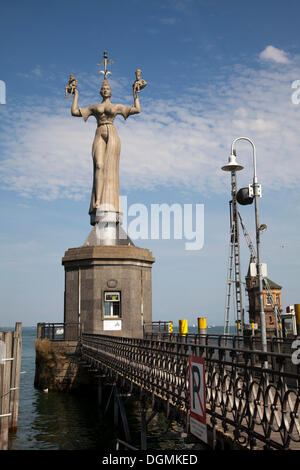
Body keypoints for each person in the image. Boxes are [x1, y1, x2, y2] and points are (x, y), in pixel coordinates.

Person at [71, 77, 141, 217]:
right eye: (103, 89)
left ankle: (110, 201)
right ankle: (97, 200)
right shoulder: (94, 107)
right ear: (100, 92)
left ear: (111, 91)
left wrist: (135, 94)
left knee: (111, 168)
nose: (105, 90)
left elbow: (137, 109)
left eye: (107, 88)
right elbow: (74, 112)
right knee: (99, 165)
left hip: (112, 134)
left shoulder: (116, 107)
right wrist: (75, 94)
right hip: (99, 133)